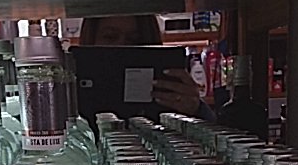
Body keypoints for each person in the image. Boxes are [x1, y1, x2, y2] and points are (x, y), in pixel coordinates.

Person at [78, 15, 214, 120]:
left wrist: (195, 109)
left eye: (134, 40)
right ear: (90, 39)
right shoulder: (72, 88)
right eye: (110, 37)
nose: (122, 46)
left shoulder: (168, 94)